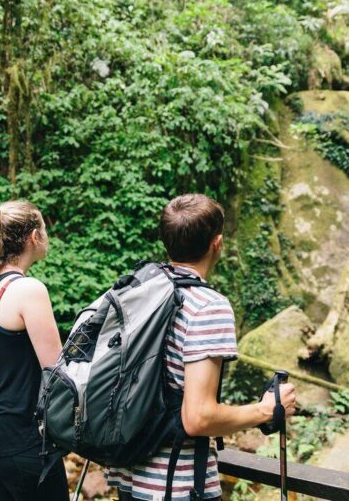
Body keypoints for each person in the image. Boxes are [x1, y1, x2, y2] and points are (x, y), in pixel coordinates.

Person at [106, 194, 297, 501]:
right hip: (177, 485)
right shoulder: (208, 307)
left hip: (130, 474)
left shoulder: (138, 288)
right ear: (217, 243)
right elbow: (198, 417)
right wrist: (266, 409)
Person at [0, 200, 68, 501]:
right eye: (44, 229)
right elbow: (57, 370)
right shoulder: (28, 290)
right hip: (19, 434)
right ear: (34, 237)